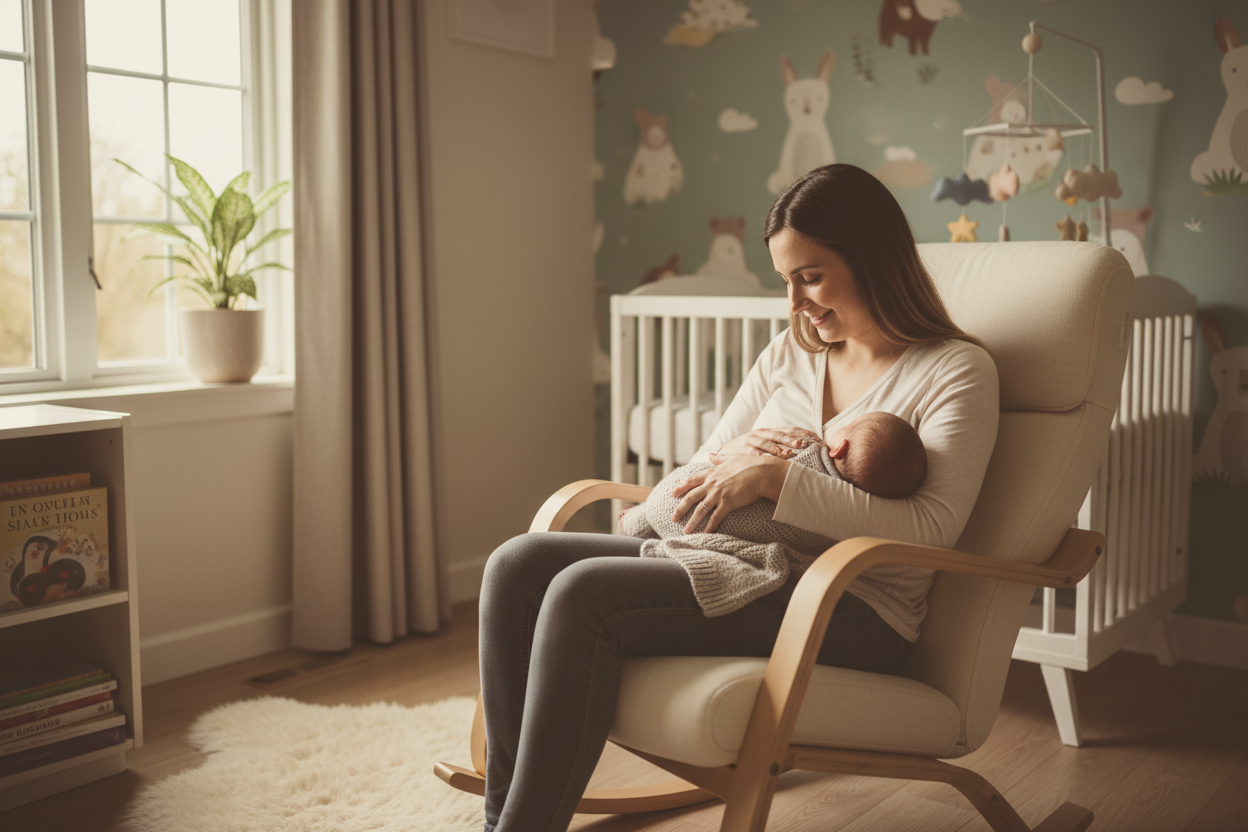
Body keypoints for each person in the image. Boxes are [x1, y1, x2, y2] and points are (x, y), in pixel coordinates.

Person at [477, 163, 1000, 832]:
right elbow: (709, 465)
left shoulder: (955, 370)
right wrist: (733, 470)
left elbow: (930, 530)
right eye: (787, 281)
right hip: (736, 556)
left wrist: (778, 478)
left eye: (810, 276)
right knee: (516, 565)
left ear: (874, 260)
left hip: (847, 604)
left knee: (583, 595)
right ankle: (504, 819)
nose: (795, 303)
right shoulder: (790, 353)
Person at [618, 411, 927, 616]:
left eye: (842, 427)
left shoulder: (805, 449)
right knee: (570, 557)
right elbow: (711, 458)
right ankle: (647, 520)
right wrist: (734, 448)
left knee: (589, 582)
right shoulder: (831, 525)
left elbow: (927, 530)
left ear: (839, 447)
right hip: (703, 537)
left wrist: (770, 472)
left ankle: (638, 519)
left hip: (673, 504)